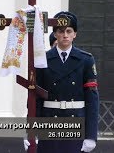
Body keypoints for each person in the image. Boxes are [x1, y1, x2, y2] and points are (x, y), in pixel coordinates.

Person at [28, 11, 99, 153]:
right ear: (55, 34)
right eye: (61, 31)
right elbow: (35, 98)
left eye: (69, 31)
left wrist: (91, 136)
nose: (65, 35)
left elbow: (92, 100)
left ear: (75, 34)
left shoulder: (86, 60)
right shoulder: (43, 59)